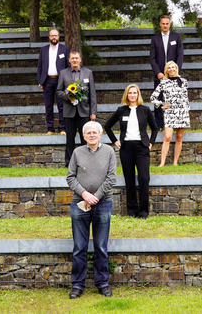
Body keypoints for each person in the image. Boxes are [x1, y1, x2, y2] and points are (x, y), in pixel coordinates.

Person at [66, 121, 117, 299]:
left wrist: (95, 197)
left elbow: (112, 178)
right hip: (79, 203)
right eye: (89, 133)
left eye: (95, 132)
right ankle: (77, 285)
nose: (92, 135)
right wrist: (85, 194)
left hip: (103, 203)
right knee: (79, 247)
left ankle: (102, 283)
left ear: (101, 134)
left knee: (101, 246)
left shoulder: (109, 151)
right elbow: (70, 177)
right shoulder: (77, 152)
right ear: (84, 135)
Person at [104, 84, 157, 218]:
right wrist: (115, 141)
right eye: (130, 93)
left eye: (135, 93)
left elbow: (155, 128)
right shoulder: (121, 110)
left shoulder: (145, 110)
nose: (132, 95)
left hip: (142, 148)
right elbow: (107, 126)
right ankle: (132, 210)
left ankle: (143, 212)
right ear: (126, 95)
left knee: (144, 178)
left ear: (138, 95)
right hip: (126, 148)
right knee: (129, 180)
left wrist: (151, 143)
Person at [57, 51, 97, 166]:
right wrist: (68, 96)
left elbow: (92, 94)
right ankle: (69, 163)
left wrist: (93, 112)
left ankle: (87, 162)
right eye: (72, 58)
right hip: (69, 112)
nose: (74, 60)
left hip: (84, 111)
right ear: (69, 60)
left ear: (80, 60)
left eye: (76, 58)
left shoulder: (88, 73)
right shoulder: (63, 73)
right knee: (70, 139)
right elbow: (58, 91)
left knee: (86, 139)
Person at [151, 61, 190, 167]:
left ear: (176, 68)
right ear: (167, 70)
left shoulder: (183, 81)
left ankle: (175, 163)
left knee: (179, 137)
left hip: (182, 112)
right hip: (170, 113)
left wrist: (186, 109)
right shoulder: (163, 82)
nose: (171, 69)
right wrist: (162, 105)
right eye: (169, 68)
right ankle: (162, 163)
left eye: (173, 67)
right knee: (167, 137)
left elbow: (185, 98)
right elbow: (153, 97)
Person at [149, 15, 184, 131]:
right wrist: (158, 72)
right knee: (158, 99)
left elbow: (180, 55)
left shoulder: (176, 37)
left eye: (167, 23)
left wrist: (175, 71)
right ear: (160, 24)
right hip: (159, 76)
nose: (165, 26)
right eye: (163, 23)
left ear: (170, 24)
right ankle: (159, 124)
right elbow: (152, 58)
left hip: (173, 75)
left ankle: (174, 122)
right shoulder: (155, 39)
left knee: (174, 98)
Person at [37, 28, 70, 135]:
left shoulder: (65, 49)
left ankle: (62, 128)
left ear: (59, 37)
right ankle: (50, 128)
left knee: (62, 105)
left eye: (56, 35)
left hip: (61, 81)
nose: (54, 37)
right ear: (49, 37)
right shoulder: (44, 50)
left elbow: (68, 66)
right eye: (52, 35)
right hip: (47, 81)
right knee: (48, 105)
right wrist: (40, 81)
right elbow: (40, 66)